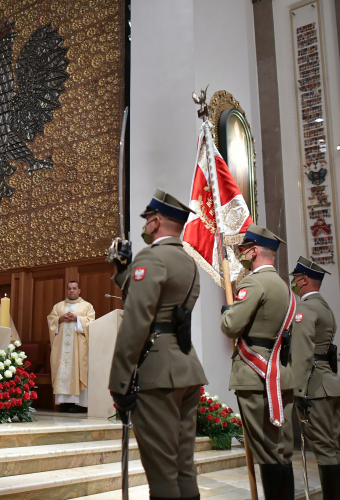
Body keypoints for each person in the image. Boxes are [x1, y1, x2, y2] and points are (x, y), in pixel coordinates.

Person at [110, 189, 208, 500]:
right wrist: (123, 271)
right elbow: (165, 304)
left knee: (162, 471)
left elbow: (137, 320)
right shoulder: (188, 262)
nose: (146, 226)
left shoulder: (152, 257)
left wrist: (120, 381)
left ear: (156, 221)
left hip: (157, 371)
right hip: (186, 366)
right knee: (183, 466)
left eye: (148, 221)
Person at [220, 224, 295, 499]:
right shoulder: (284, 287)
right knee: (281, 449)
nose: (241, 253)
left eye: (244, 249)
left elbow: (231, 326)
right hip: (280, 374)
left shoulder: (253, 282)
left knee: (266, 450)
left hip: (256, 377)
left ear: (254, 251)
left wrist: (227, 312)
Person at [290, 257, 340, 499]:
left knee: (324, 450)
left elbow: (302, 353)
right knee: (331, 448)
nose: (292, 281)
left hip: (315, 387)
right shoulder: (324, 306)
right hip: (330, 384)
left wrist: (298, 391)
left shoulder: (305, 308)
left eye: (295, 278)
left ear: (304, 280)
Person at [47, 281, 95, 413]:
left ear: (79, 290)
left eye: (74, 288)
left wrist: (78, 319)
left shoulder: (87, 306)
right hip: (61, 346)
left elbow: (92, 323)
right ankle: (64, 403)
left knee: (78, 369)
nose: (71, 291)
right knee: (62, 371)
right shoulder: (58, 307)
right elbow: (51, 321)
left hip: (79, 347)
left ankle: (79, 404)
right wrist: (60, 319)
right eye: (69, 289)